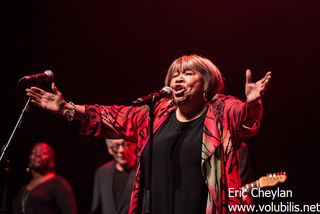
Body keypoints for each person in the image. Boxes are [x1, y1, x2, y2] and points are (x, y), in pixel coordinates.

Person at [26, 54, 271, 214]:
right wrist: (67, 108)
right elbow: (110, 115)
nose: (178, 78)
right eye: (174, 74)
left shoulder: (221, 110)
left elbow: (246, 121)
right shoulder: (156, 114)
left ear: (207, 82)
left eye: (187, 73)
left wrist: (252, 103)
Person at [13, 142, 78, 214]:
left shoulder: (59, 184)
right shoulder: (24, 188)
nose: (37, 155)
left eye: (43, 153)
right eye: (33, 153)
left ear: (51, 160)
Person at [90, 138, 137, 214]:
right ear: (110, 149)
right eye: (116, 145)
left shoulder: (142, 170)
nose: (121, 150)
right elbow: (95, 209)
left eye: (126, 144)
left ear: (134, 145)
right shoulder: (101, 172)